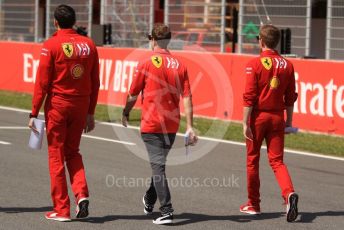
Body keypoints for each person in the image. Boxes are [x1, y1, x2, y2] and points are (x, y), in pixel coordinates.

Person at [28, 4, 100, 222]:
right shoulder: (89, 44)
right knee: (73, 152)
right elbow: (95, 82)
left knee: (56, 156)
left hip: (58, 105)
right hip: (81, 105)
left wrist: (33, 113)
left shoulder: (51, 45)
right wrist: (90, 112)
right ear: (75, 21)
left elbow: (42, 82)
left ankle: (61, 210)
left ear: (55, 22)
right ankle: (82, 195)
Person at [122, 23, 197, 225]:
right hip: (171, 125)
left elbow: (133, 93)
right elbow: (188, 97)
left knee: (158, 168)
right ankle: (149, 198)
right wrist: (190, 126)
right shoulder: (180, 65)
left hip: (151, 124)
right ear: (168, 40)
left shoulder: (145, 62)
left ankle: (166, 210)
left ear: (153, 39)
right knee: (159, 166)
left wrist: (126, 112)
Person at [240, 24, 299, 222]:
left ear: (261, 41)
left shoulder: (254, 64)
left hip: (258, 117)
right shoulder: (288, 65)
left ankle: (253, 204)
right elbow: (290, 97)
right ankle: (289, 194)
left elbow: (249, 97)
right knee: (277, 161)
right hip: (277, 118)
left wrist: (245, 122)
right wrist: (288, 122)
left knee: (252, 160)